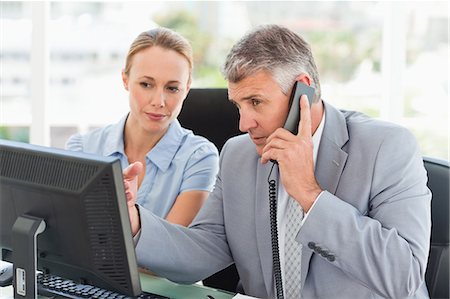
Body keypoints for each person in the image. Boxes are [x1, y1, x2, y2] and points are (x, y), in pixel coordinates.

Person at [124, 25, 431, 298]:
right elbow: (202, 251)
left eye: (256, 102)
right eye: (238, 105)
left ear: (303, 90)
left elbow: (403, 278)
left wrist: (310, 195)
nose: (244, 123)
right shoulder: (238, 155)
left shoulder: (387, 147)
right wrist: (135, 223)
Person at [66, 27, 219, 228]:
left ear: (186, 89)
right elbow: (71, 234)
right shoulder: (82, 148)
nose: (159, 101)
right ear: (125, 80)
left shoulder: (199, 158)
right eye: (146, 84)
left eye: (172, 88)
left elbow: (169, 247)